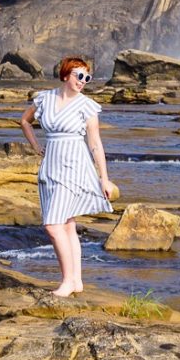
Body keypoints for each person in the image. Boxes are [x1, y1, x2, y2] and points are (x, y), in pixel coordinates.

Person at [20, 56, 116, 297]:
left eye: (87, 77)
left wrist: (103, 178)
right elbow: (24, 121)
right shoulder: (45, 98)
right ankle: (77, 281)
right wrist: (36, 146)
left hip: (75, 167)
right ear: (65, 76)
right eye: (79, 76)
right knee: (67, 225)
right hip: (51, 167)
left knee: (53, 226)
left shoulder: (88, 106)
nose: (83, 81)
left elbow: (95, 144)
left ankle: (67, 281)